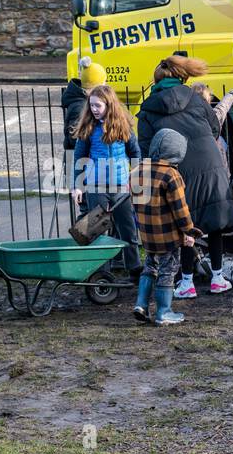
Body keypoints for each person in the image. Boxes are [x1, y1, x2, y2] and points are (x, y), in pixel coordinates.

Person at [135, 55, 233, 298]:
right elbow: (214, 127)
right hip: (210, 163)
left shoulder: (148, 109)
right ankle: (218, 278)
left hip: (177, 169)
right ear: (181, 77)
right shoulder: (195, 97)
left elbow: (146, 148)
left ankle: (187, 282)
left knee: (187, 226)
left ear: (157, 81)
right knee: (214, 224)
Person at [71, 84, 142, 278]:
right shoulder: (89, 128)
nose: (94, 109)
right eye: (91, 105)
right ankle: (100, 272)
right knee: (96, 231)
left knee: (127, 229)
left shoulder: (123, 126)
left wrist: (134, 176)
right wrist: (77, 186)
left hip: (120, 186)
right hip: (96, 186)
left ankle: (134, 268)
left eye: (98, 106)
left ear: (109, 105)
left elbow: (135, 152)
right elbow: (79, 158)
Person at [133, 129, 201, 326]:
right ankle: (163, 312)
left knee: (150, 266)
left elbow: (136, 203)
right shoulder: (171, 175)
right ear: (177, 152)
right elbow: (180, 209)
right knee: (168, 269)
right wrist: (189, 231)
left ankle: (141, 304)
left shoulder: (138, 170)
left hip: (147, 234)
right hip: (167, 235)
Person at [61, 57, 105, 152]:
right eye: (103, 83)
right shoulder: (80, 106)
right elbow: (74, 138)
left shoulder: (86, 102)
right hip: (78, 159)